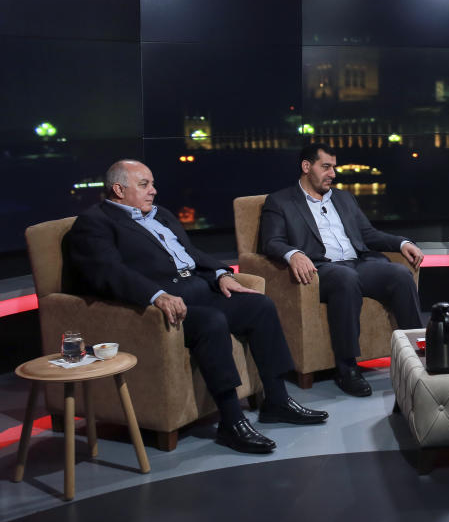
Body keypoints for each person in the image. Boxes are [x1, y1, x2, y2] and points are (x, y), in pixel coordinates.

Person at [67, 160, 328, 455]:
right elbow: (108, 272)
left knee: (260, 306)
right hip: (163, 307)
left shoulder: (160, 215)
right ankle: (232, 421)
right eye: (144, 185)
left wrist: (221, 275)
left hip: (199, 289)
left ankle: (277, 401)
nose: (153, 191)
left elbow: (191, 254)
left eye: (152, 184)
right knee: (211, 321)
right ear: (118, 189)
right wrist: (156, 295)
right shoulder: (96, 222)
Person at [259, 142, 424, 398]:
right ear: (306, 167)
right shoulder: (280, 201)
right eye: (326, 167)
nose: (333, 174)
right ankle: (347, 368)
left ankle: (418, 353)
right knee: (345, 278)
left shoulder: (344, 197)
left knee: (400, 275)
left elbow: (368, 234)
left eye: (333, 167)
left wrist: (402, 243)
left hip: (357, 263)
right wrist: (294, 254)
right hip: (321, 270)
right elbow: (271, 241)